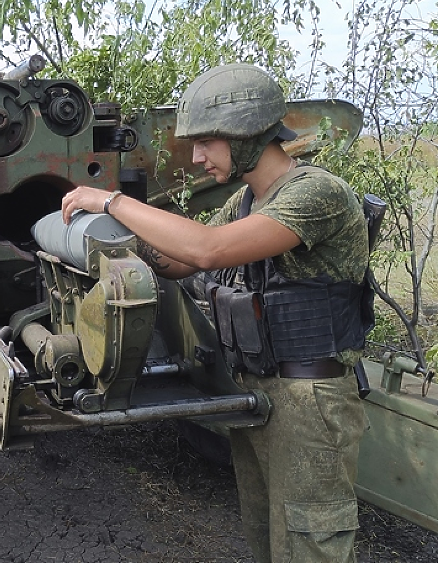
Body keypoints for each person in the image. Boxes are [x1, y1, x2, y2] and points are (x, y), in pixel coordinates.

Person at [61, 63, 371, 563]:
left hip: (311, 399)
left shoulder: (317, 193)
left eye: (206, 142)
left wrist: (113, 201)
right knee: (267, 538)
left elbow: (207, 250)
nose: (198, 156)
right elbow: (179, 262)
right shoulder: (248, 201)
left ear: (247, 133)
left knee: (311, 544)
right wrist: (113, 243)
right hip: (257, 392)